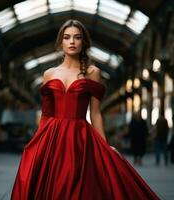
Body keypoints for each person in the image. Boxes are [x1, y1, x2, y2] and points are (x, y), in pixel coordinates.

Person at [11, 19, 160, 200]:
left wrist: (105, 146)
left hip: (79, 137)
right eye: (67, 37)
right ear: (61, 42)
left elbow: (95, 113)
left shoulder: (93, 72)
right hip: (52, 137)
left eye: (77, 37)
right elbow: (46, 114)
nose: (72, 41)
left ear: (84, 42)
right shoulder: (49, 74)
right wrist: (38, 142)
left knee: (78, 185)